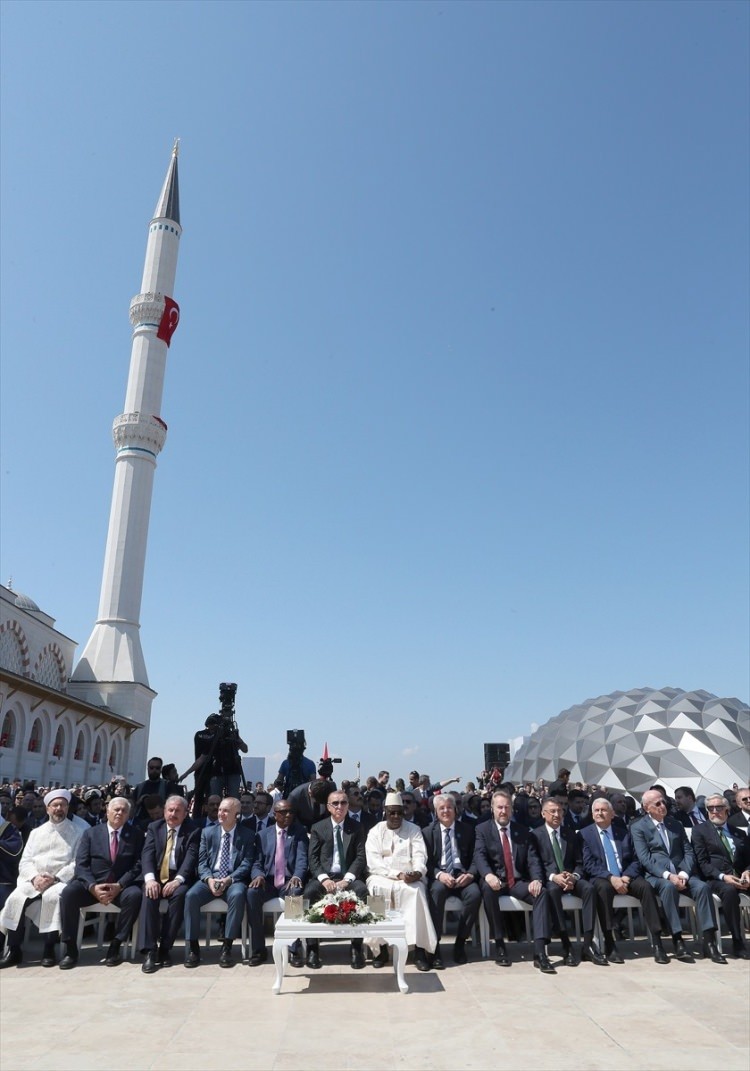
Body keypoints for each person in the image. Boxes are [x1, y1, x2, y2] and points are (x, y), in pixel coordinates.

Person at [631, 788, 725, 964]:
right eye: (657, 803)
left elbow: (688, 851)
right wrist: (668, 876)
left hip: (682, 873)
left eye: (663, 801)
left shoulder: (675, 824)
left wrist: (683, 873)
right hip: (658, 876)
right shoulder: (638, 827)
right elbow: (645, 858)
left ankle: (709, 941)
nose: (662, 805)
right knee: (667, 888)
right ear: (646, 808)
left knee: (703, 888)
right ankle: (678, 939)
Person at [58, 797, 145, 969]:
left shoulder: (135, 834)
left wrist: (120, 885)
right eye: (116, 809)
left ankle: (116, 944)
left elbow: (138, 865)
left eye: (124, 810)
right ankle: (70, 948)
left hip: (121, 887)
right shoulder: (91, 833)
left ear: (128, 815)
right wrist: (92, 887)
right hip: (93, 886)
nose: (119, 813)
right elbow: (81, 865)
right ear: (107, 811)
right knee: (68, 893)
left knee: (135, 896)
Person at [579, 797, 668, 964]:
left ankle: (657, 942)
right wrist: (611, 878)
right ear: (592, 815)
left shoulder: (623, 832)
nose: (599, 813)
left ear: (612, 814)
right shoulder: (585, 835)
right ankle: (610, 943)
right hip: (603, 877)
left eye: (603, 810)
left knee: (646, 888)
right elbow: (589, 864)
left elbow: (635, 860)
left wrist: (626, 877)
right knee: (603, 890)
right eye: (596, 810)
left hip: (626, 875)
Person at [0, 789, 82, 968]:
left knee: (52, 898)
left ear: (68, 808)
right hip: (35, 880)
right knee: (15, 898)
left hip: (59, 881)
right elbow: (25, 861)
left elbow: (77, 863)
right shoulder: (36, 832)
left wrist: (55, 878)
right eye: (55, 805)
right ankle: (14, 950)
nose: (59, 808)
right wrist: (34, 877)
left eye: (63, 805)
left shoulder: (78, 832)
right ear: (47, 809)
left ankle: (49, 948)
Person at [473, 789, 553, 972]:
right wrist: (488, 875)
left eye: (507, 807)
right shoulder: (482, 830)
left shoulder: (523, 832)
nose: (503, 811)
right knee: (486, 888)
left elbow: (533, 860)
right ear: (492, 809)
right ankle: (500, 943)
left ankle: (540, 952)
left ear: (512, 810)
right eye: (499, 807)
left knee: (542, 893)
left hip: (518, 882)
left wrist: (537, 880)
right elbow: (479, 856)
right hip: (496, 881)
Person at [529, 797, 607, 966]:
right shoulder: (535, 835)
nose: (557, 815)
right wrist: (553, 877)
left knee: (589, 889)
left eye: (560, 811)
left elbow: (580, 863)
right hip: (552, 880)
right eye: (553, 811)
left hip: (571, 878)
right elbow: (536, 864)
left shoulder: (570, 834)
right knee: (552, 891)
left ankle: (587, 944)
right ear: (543, 814)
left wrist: (574, 876)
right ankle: (566, 943)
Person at [365, 791, 437, 971]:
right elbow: (374, 863)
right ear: (385, 811)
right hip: (382, 876)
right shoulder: (375, 831)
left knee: (416, 892)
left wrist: (418, 872)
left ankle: (419, 950)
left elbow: (420, 855)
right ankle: (380, 950)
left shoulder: (414, 830)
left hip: (410, 877)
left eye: (399, 812)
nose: (396, 816)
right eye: (392, 812)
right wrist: (397, 875)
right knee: (376, 890)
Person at [183, 797, 257, 969]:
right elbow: (201, 863)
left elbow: (247, 863)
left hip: (232, 879)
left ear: (236, 815)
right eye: (219, 810)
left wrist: (228, 880)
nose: (220, 813)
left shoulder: (247, 835)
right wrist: (209, 880)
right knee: (191, 896)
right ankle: (193, 947)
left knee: (238, 895)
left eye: (226, 811)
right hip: (210, 878)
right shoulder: (207, 833)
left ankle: (227, 947)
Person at [303, 789, 368, 970]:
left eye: (344, 803)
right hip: (325, 877)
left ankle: (356, 946)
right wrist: (324, 880)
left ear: (348, 805)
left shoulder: (356, 827)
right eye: (336, 803)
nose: (340, 806)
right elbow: (313, 858)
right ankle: (312, 947)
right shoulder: (318, 827)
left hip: (347, 876)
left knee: (362, 891)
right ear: (329, 807)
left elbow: (360, 857)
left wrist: (347, 880)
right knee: (309, 892)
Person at [139, 795, 201, 973]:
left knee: (181, 895)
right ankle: (150, 951)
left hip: (178, 876)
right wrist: (150, 879)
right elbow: (147, 854)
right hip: (156, 875)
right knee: (148, 894)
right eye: (170, 810)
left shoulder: (193, 831)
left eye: (177, 811)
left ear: (185, 813)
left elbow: (190, 859)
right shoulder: (154, 827)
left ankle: (165, 948)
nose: (173, 814)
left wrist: (178, 880)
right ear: (165, 811)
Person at [246, 799, 309, 966]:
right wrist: (257, 875)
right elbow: (257, 862)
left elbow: (302, 859)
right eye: (283, 812)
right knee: (252, 894)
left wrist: (297, 876)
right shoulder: (262, 835)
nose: (288, 815)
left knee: (296, 894)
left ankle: (294, 949)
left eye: (290, 812)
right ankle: (259, 949)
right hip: (268, 881)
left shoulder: (299, 832)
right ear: (275, 814)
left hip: (289, 880)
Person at [424, 794, 481, 967]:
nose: (446, 811)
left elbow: (477, 857)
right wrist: (439, 875)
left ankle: (460, 942)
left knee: (475, 894)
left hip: (462, 875)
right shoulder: (427, 832)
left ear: (455, 810)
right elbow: (425, 861)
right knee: (437, 891)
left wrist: (470, 874)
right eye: (441, 808)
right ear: (435, 811)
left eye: (449, 807)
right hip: (441, 876)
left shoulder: (468, 830)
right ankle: (435, 947)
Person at [691, 793, 750, 959]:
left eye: (719, 808)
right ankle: (737, 940)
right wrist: (724, 877)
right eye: (711, 808)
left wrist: (748, 871)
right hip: (715, 879)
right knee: (730, 892)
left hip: (741, 877)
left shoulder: (739, 833)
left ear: (727, 810)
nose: (715, 811)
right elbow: (702, 863)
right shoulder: (699, 831)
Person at [277, 733, 316, 798]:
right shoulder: (310, 763)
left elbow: (278, 781)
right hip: (303, 797)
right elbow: (313, 784)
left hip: (291, 797)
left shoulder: (285, 763)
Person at [132, 758, 169, 823]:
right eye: (151, 768)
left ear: (160, 769)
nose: (154, 770)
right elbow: (133, 805)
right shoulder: (140, 787)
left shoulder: (167, 785)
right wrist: (141, 800)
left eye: (157, 768)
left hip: (160, 822)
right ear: (148, 768)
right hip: (140, 823)